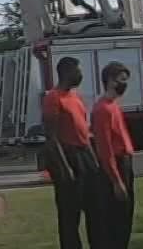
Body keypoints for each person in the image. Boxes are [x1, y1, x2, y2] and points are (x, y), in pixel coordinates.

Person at [42, 56, 100, 249]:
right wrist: (65, 168)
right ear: (66, 72)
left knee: (94, 209)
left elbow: (84, 131)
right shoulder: (53, 97)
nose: (81, 74)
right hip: (67, 156)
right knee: (69, 215)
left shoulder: (76, 97)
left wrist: (94, 161)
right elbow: (51, 137)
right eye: (78, 70)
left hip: (84, 155)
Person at [91, 61, 137, 249]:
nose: (124, 84)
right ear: (110, 81)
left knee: (125, 218)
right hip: (116, 165)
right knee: (116, 220)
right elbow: (105, 148)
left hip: (125, 162)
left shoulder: (114, 105)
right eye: (121, 80)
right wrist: (116, 180)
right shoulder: (103, 109)